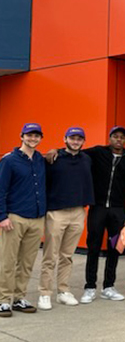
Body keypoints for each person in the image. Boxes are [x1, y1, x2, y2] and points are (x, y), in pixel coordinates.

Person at [79, 126, 125, 303]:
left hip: (118, 211)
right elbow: (75, 152)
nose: (118, 140)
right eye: (115, 136)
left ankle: (109, 287)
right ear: (110, 138)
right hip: (97, 209)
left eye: (122, 137)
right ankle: (90, 287)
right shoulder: (98, 152)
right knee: (94, 247)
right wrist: (54, 151)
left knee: (115, 248)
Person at [38, 127, 94, 311]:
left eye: (79, 139)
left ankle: (63, 291)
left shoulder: (86, 159)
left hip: (78, 211)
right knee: (50, 255)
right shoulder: (53, 158)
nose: (76, 141)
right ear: (65, 139)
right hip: (56, 212)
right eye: (72, 138)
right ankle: (45, 293)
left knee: (67, 255)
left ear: (83, 141)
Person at [0, 123, 47, 317]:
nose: (33, 139)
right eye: (29, 135)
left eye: (36, 136)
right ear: (22, 136)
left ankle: (19, 298)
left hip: (36, 218)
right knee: (8, 261)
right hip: (15, 217)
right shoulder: (9, 160)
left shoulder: (40, 159)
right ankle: (3, 300)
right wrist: (2, 216)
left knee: (27, 262)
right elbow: (1, 189)